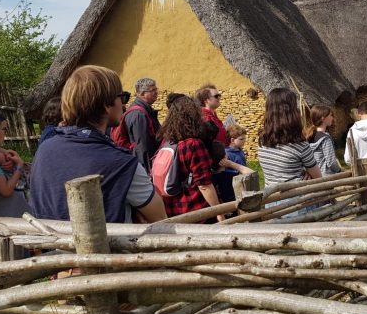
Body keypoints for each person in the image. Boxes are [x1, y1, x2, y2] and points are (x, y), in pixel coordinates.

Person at [29, 65, 167, 224]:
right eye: (122, 97)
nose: (123, 105)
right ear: (106, 105)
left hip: (54, 246)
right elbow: (159, 218)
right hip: (106, 248)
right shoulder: (122, 164)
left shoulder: (45, 148)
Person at [158, 95, 224, 221]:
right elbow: (204, 185)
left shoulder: (168, 141)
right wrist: (220, 214)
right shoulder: (192, 144)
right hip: (196, 208)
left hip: (173, 208)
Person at [258, 88, 321, 213]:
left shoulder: (262, 141)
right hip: (296, 202)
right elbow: (318, 176)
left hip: (271, 201)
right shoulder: (299, 143)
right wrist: (305, 172)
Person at [124, 78, 162, 172]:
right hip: (145, 167)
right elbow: (142, 146)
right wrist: (147, 171)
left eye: (156, 89)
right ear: (142, 94)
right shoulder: (138, 114)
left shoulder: (144, 110)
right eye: (152, 90)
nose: (156, 92)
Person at [305, 105, 342, 176]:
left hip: (315, 175)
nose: (332, 118)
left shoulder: (309, 136)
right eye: (330, 115)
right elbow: (331, 163)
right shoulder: (325, 139)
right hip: (327, 176)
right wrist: (339, 170)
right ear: (323, 118)